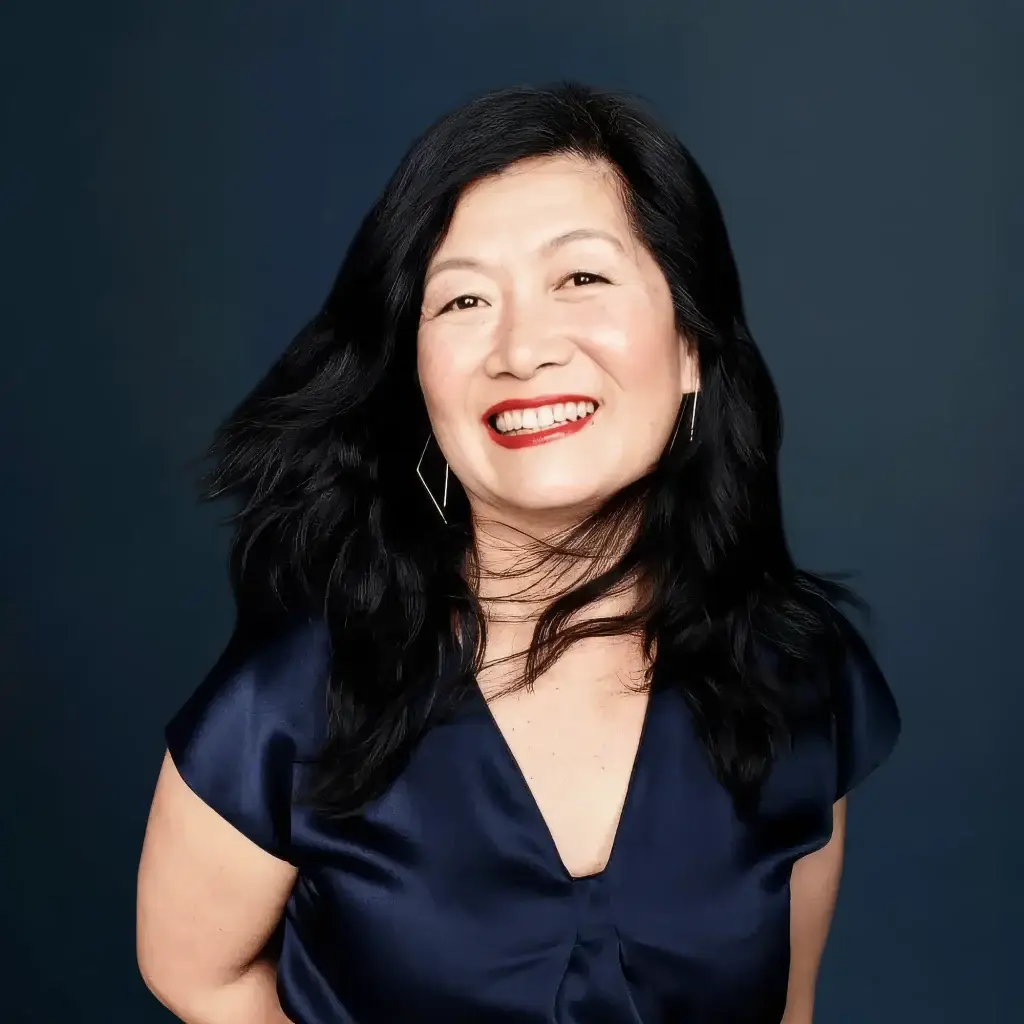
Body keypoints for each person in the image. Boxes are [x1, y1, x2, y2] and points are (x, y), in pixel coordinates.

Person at [136, 82, 900, 1024]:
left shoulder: (799, 671)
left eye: (581, 278)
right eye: (463, 298)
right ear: (416, 378)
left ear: (692, 346)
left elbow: (789, 1006)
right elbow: (195, 971)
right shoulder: (297, 691)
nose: (522, 349)